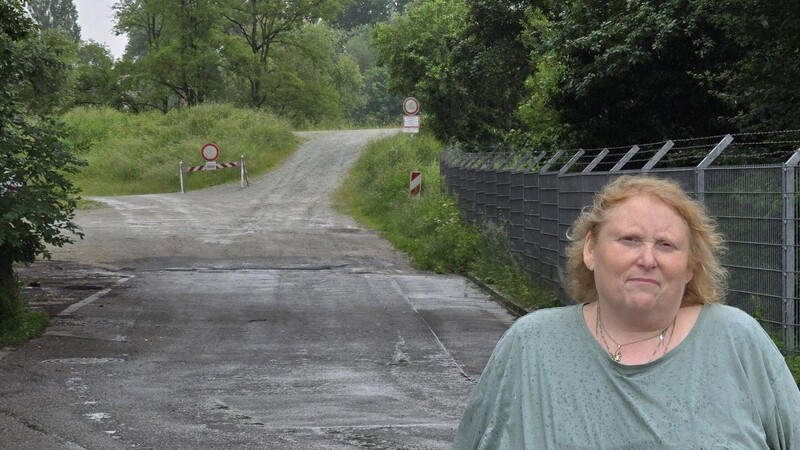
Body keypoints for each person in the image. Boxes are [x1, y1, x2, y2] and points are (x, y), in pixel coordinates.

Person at [453, 175, 800, 449]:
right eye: (629, 240)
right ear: (591, 249)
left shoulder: (738, 341)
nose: (647, 259)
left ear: (691, 267)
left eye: (666, 245)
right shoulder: (529, 346)